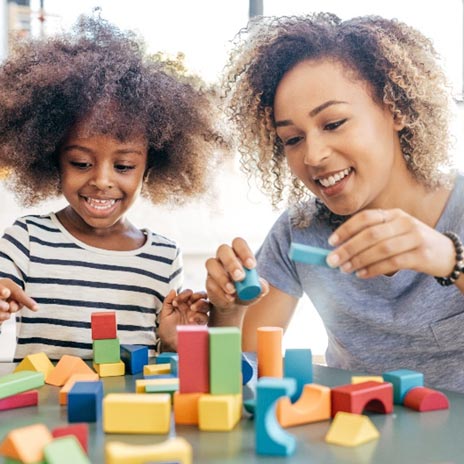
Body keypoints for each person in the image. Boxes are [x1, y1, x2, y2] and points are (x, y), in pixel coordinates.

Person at [206, 13, 464, 392]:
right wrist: (228, 312)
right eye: (292, 139)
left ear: (396, 110)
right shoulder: (301, 232)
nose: (312, 155)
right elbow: (242, 372)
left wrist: (449, 259)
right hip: (357, 441)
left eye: (333, 123)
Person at [0, 15, 226, 360]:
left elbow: (155, 363)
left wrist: (170, 341)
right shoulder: (26, 241)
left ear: (150, 167)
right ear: (52, 160)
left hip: (129, 415)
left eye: (123, 166)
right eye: (80, 163)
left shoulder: (162, 258)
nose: (103, 180)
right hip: (46, 415)